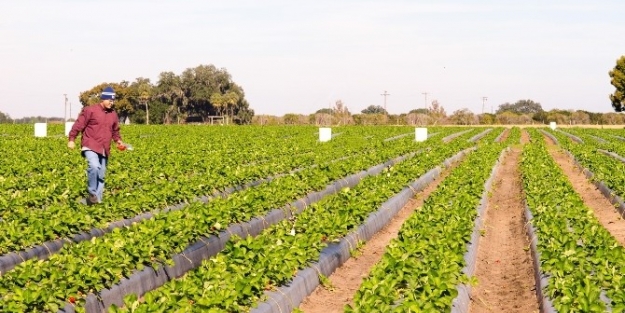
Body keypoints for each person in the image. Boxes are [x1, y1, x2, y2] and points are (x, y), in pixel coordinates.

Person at [68, 86, 124, 205]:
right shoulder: (90, 110)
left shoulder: (113, 114)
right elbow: (79, 125)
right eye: (109, 100)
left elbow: (115, 130)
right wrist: (72, 139)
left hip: (105, 147)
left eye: (113, 100)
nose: (111, 102)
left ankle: (96, 202)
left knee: (101, 175)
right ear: (103, 99)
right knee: (94, 166)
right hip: (90, 144)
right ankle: (92, 193)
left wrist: (118, 140)